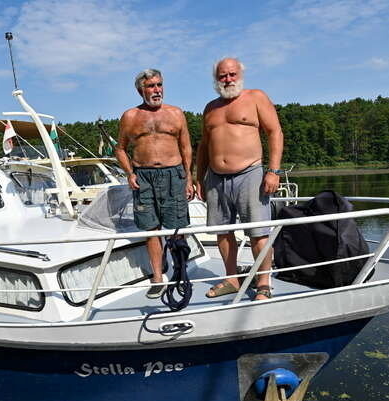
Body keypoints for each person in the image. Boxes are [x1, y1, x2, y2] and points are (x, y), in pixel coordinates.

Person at [195, 57, 284, 300]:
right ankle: (231, 279)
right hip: (215, 178)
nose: (228, 79)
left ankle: (263, 283)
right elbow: (204, 145)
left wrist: (273, 171)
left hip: (250, 174)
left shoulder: (256, 97)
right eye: (222, 76)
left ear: (240, 74)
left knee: (258, 232)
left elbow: (274, 131)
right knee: (222, 232)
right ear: (216, 79)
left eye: (232, 74)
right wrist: (199, 178)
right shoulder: (210, 107)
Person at [115, 69, 195, 298]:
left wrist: (189, 177)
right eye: (151, 86)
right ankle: (158, 277)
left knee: (177, 229)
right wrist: (130, 172)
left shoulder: (176, 114)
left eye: (159, 85)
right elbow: (120, 149)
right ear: (140, 90)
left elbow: (186, 147)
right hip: (144, 177)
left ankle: (180, 272)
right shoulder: (130, 117)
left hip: (174, 175)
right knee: (152, 230)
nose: (156, 90)